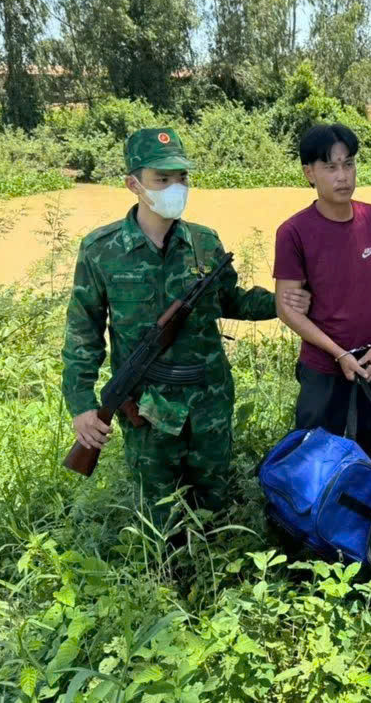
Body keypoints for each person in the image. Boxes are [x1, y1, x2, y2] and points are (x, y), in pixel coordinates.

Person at [61, 127, 311, 527]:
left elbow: (231, 300)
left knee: (215, 506)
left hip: (208, 401)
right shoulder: (100, 250)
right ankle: (165, 582)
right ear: (133, 184)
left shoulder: (203, 243)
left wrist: (284, 302)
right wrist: (82, 404)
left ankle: (212, 578)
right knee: (161, 517)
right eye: (162, 179)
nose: (175, 187)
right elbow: (83, 333)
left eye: (182, 177)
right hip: (147, 409)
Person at [274, 123, 371, 457]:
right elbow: (286, 308)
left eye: (348, 164)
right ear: (309, 173)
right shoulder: (293, 232)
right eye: (330, 167)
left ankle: (370, 507)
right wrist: (340, 354)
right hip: (323, 367)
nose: (342, 176)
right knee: (315, 455)